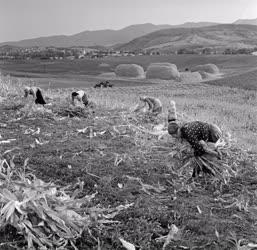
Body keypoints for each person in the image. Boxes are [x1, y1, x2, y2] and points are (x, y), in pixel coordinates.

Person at [167, 100, 222, 176]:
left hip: (213, 133)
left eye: (175, 136)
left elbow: (199, 149)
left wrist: (192, 154)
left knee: (201, 154)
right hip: (212, 129)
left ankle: (216, 159)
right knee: (199, 151)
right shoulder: (183, 128)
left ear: (177, 131)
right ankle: (197, 174)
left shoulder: (188, 133)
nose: (176, 138)